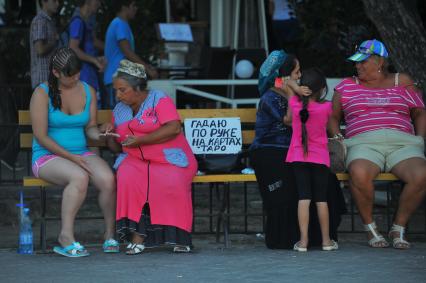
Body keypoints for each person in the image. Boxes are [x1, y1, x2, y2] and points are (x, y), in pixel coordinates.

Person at [330, 39, 426, 249]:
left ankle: (398, 228)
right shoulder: (347, 85)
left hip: (403, 143)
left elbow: (419, 112)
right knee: (359, 173)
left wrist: (420, 139)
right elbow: (333, 118)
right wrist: (339, 140)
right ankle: (370, 227)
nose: (358, 66)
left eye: (363, 62)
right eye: (356, 62)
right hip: (363, 143)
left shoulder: (402, 81)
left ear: (380, 62)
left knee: (421, 175)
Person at [250, 50, 346, 249]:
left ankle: (321, 237)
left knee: (327, 180)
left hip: (296, 149)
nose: (300, 76)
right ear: (283, 76)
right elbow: (289, 120)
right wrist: (291, 93)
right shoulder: (270, 97)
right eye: (297, 72)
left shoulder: (300, 97)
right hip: (270, 151)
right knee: (293, 184)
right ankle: (289, 237)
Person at [101, 59, 197, 254]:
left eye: (123, 90)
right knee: (127, 177)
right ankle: (137, 236)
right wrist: (108, 134)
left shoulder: (158, 99)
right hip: (136, 160)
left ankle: (179, 236)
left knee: (170, 180)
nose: (118, 95)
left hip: (169, 157)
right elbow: (116, 148)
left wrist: (142, 141)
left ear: (138, 88)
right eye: (116, 90)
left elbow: (173, 127)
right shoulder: (119, 110)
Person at [30, 48, 118, 257]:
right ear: (56, 73)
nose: (76, 79)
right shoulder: (41, 94)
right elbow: (41, 136)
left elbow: (90, 129)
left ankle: (110, 234)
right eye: (70, 76)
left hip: (80, 152)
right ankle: (65, 237)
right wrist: (72, 158)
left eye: (78, 74)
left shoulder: (88, 90)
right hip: (46, 155)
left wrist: (102, 135)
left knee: (108, 180)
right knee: (79, 177)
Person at [284, 67, 338, 252]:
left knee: (303, 198)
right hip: (320, 158)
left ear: (303, 87)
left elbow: (284, 82)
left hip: (298, 157)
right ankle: (326, 241)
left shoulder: (294, 104)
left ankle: (303, 241)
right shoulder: (326, 107)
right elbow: (333, 130)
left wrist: (295, 88)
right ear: (322, 89)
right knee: (321, 199)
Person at [103, 0, 158, 109]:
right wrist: (146, 69)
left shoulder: (120, 24)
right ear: (124, 7)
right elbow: (127, 52)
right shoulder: (120, 24)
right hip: (117, 80)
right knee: (118, 119)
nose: (136, 9)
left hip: (119, 79)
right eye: (134, 5)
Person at [68, 0, 105, 107]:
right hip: (83, 75)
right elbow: (73, 48)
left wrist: (97, 59)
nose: (99, 3)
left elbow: (90, 44)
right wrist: (94, 60)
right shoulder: (78, 21)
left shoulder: (86, 21)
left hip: (89, 73)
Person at [30, 0, 59, 89]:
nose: (57, 3)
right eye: (54, 1)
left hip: (49, 78)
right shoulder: (40, 20)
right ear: (43, 2)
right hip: (42, 79)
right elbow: (40, 49)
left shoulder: (49, 21)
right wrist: (54, 42)